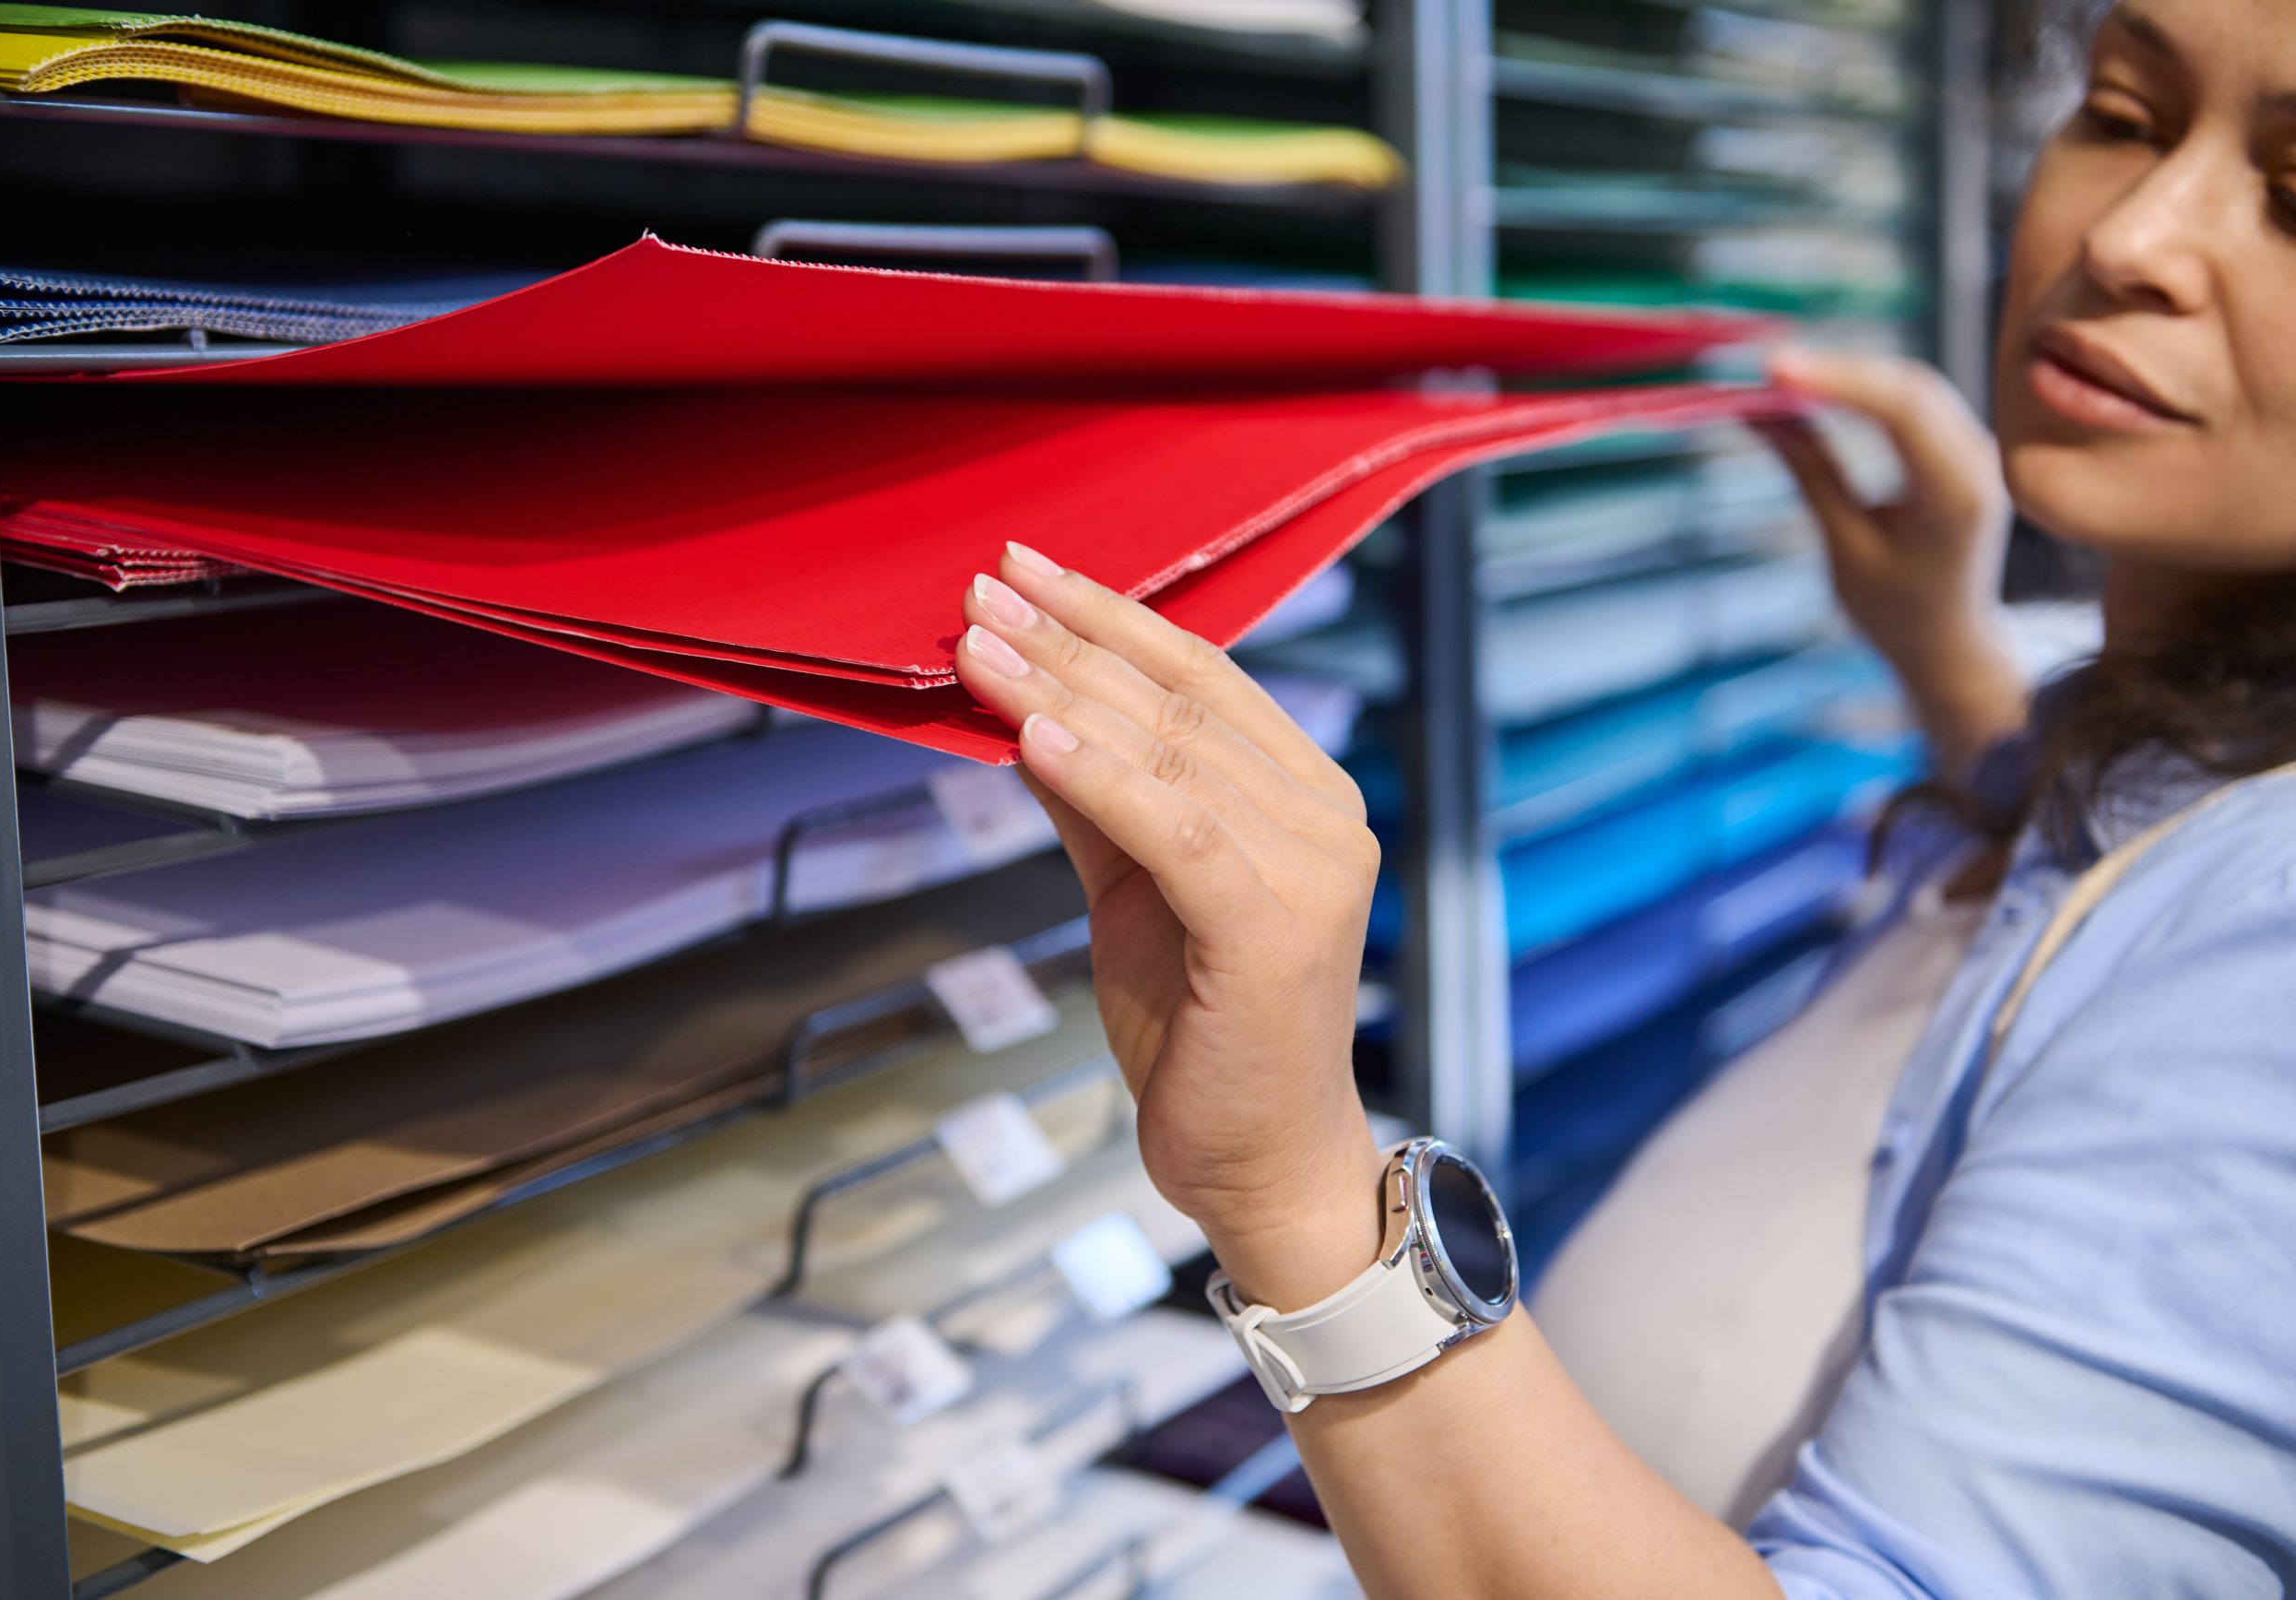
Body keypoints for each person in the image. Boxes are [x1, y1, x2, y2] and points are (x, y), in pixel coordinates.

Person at [947, 0, 2296, 1592]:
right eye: (2124, 112)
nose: (2134, 236)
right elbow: (2119, 919)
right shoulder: (2160, 744)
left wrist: (1299, 1188)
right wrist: (1946, 662)